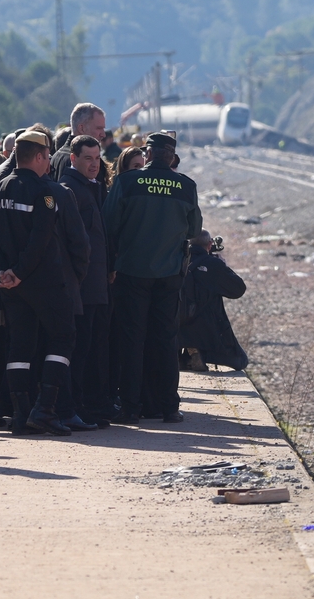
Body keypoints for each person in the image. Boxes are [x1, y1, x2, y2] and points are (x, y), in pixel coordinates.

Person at [0, 130, 88, 436]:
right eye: (47, 157)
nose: (49, 163)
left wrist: (3, 271)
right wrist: (19, 271)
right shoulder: (44, 191)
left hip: (11, 286)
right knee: (63, 337)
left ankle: (20, 415)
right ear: (40, 156)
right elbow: (40, 240)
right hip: (43, 281)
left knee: (20, 345)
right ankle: (45, 409)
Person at [105, 130, 200, 424]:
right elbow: (194, 230)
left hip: (132, 271)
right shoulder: (186, 186)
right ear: (171, 157)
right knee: (166, 340)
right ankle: (169, 406)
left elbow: (110, 223)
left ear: (147, 153)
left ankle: (130, 407)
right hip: (170, 274)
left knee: (132, 340)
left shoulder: (126, 182)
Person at [58, 135, 112, 427]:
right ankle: (74, 407)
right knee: (78, 350)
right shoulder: (70, 190)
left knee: (90, 347)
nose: (94, 164)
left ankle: (85, 405)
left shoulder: (91, 187)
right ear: (73, 159)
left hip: (94, 284)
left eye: (97, 158)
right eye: (87, 158)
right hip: (82, 287)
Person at [179, 231, 248, 372]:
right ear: (210, 245)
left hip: (175, 325)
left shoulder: (178, 260)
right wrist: (222, 267)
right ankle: (199, 353)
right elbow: (238, 289)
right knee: (241, 361)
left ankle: (183, 356)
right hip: (207, 328)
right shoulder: (212, 264)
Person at [52, 103, 107, 178]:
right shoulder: (79, 162)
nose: (103, 134)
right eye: (98, 128)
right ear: (81, 128)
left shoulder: (57, 156)